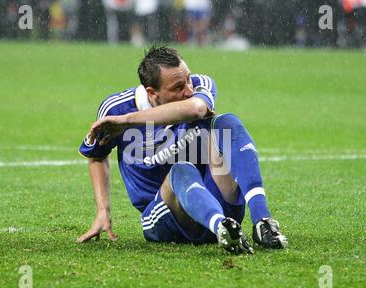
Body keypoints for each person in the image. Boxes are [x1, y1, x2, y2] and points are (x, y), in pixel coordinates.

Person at [77, 45, 288, 254]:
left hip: (219, 205)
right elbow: (96, 155)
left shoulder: (199, 85)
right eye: (178, 87)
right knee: (181, 169)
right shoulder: (116, 108)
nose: (189, 90)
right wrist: (103, 211)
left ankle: (262, 221)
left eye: (188, 78)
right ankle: (221, 228)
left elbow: (196, 109)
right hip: (166, 217)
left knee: (227, 123)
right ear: (152, 92)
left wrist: (127, 122)